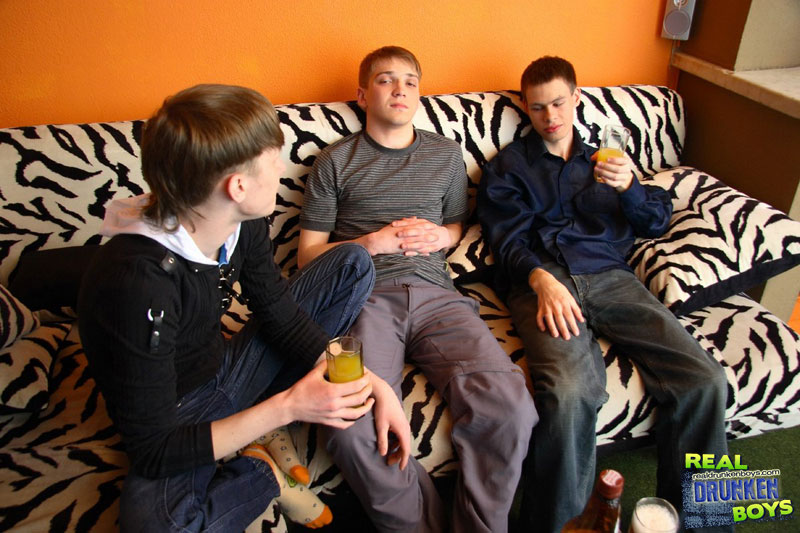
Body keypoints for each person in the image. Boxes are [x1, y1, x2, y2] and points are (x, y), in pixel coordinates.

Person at [77, 84, 380, 532]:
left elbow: (276, 310)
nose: (281, 168)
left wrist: (371, 382)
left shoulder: (239, 220)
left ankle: (253, 424)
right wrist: (288, 407)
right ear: (237, 186)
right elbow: (153, 448)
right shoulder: (138, 284)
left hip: (222, 366)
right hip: (176, 415)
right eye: (273, 160)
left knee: (351, 263)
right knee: (157, 525)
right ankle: (261, 470)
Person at [477, 56, 732, 532]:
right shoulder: (508, 167)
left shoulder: (609, 159)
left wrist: (631, 186)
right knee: (570, 392)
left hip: (612, 277)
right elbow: (505, 240)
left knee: (705, 379)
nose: (550, 116)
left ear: (576, 97)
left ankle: (704, 524)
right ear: (526, 108)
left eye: (558, 103)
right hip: (542, 283)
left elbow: (656, 220)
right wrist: (541, 280)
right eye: (538, 107)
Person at [298, 45, 538, 533]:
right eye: (386, 80)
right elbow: (307, 256)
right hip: (363, 300)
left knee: (511, 405)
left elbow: (456, 225)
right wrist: (371, 243)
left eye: (410, 81)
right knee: (350, 427)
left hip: (438, 298)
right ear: (362, 95)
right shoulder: (335, 161)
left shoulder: (446, 155)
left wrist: (442, 237)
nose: (400, 89)